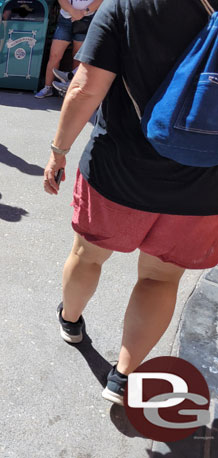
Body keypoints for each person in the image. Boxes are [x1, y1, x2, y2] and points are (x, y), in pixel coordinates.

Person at [43, 0, 218, 405]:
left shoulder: (127, 6)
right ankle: (123, 376)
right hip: (203, 186)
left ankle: (70, 321)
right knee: (160, 278)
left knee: (87, 257)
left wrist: (58, 152)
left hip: (119, 173)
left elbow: (85, 88)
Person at [35, 0, 102, 98]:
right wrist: (73, 12)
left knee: (77, 57)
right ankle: (47, 87)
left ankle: (72, 90)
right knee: (55, 55)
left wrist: (83, 12)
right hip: (66, 19)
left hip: (87, 18)